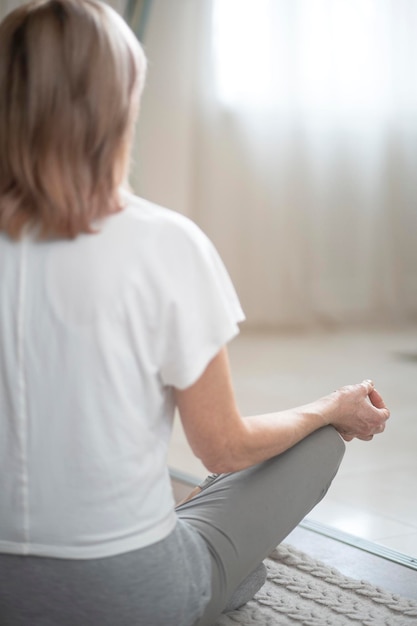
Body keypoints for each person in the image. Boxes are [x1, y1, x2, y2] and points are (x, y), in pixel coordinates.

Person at [0, 1, 390, 625]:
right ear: (120, 100)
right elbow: (224, 448)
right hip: (131, 594)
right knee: (313, 443)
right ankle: (219, 576)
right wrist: (332, 408)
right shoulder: (166, 243)